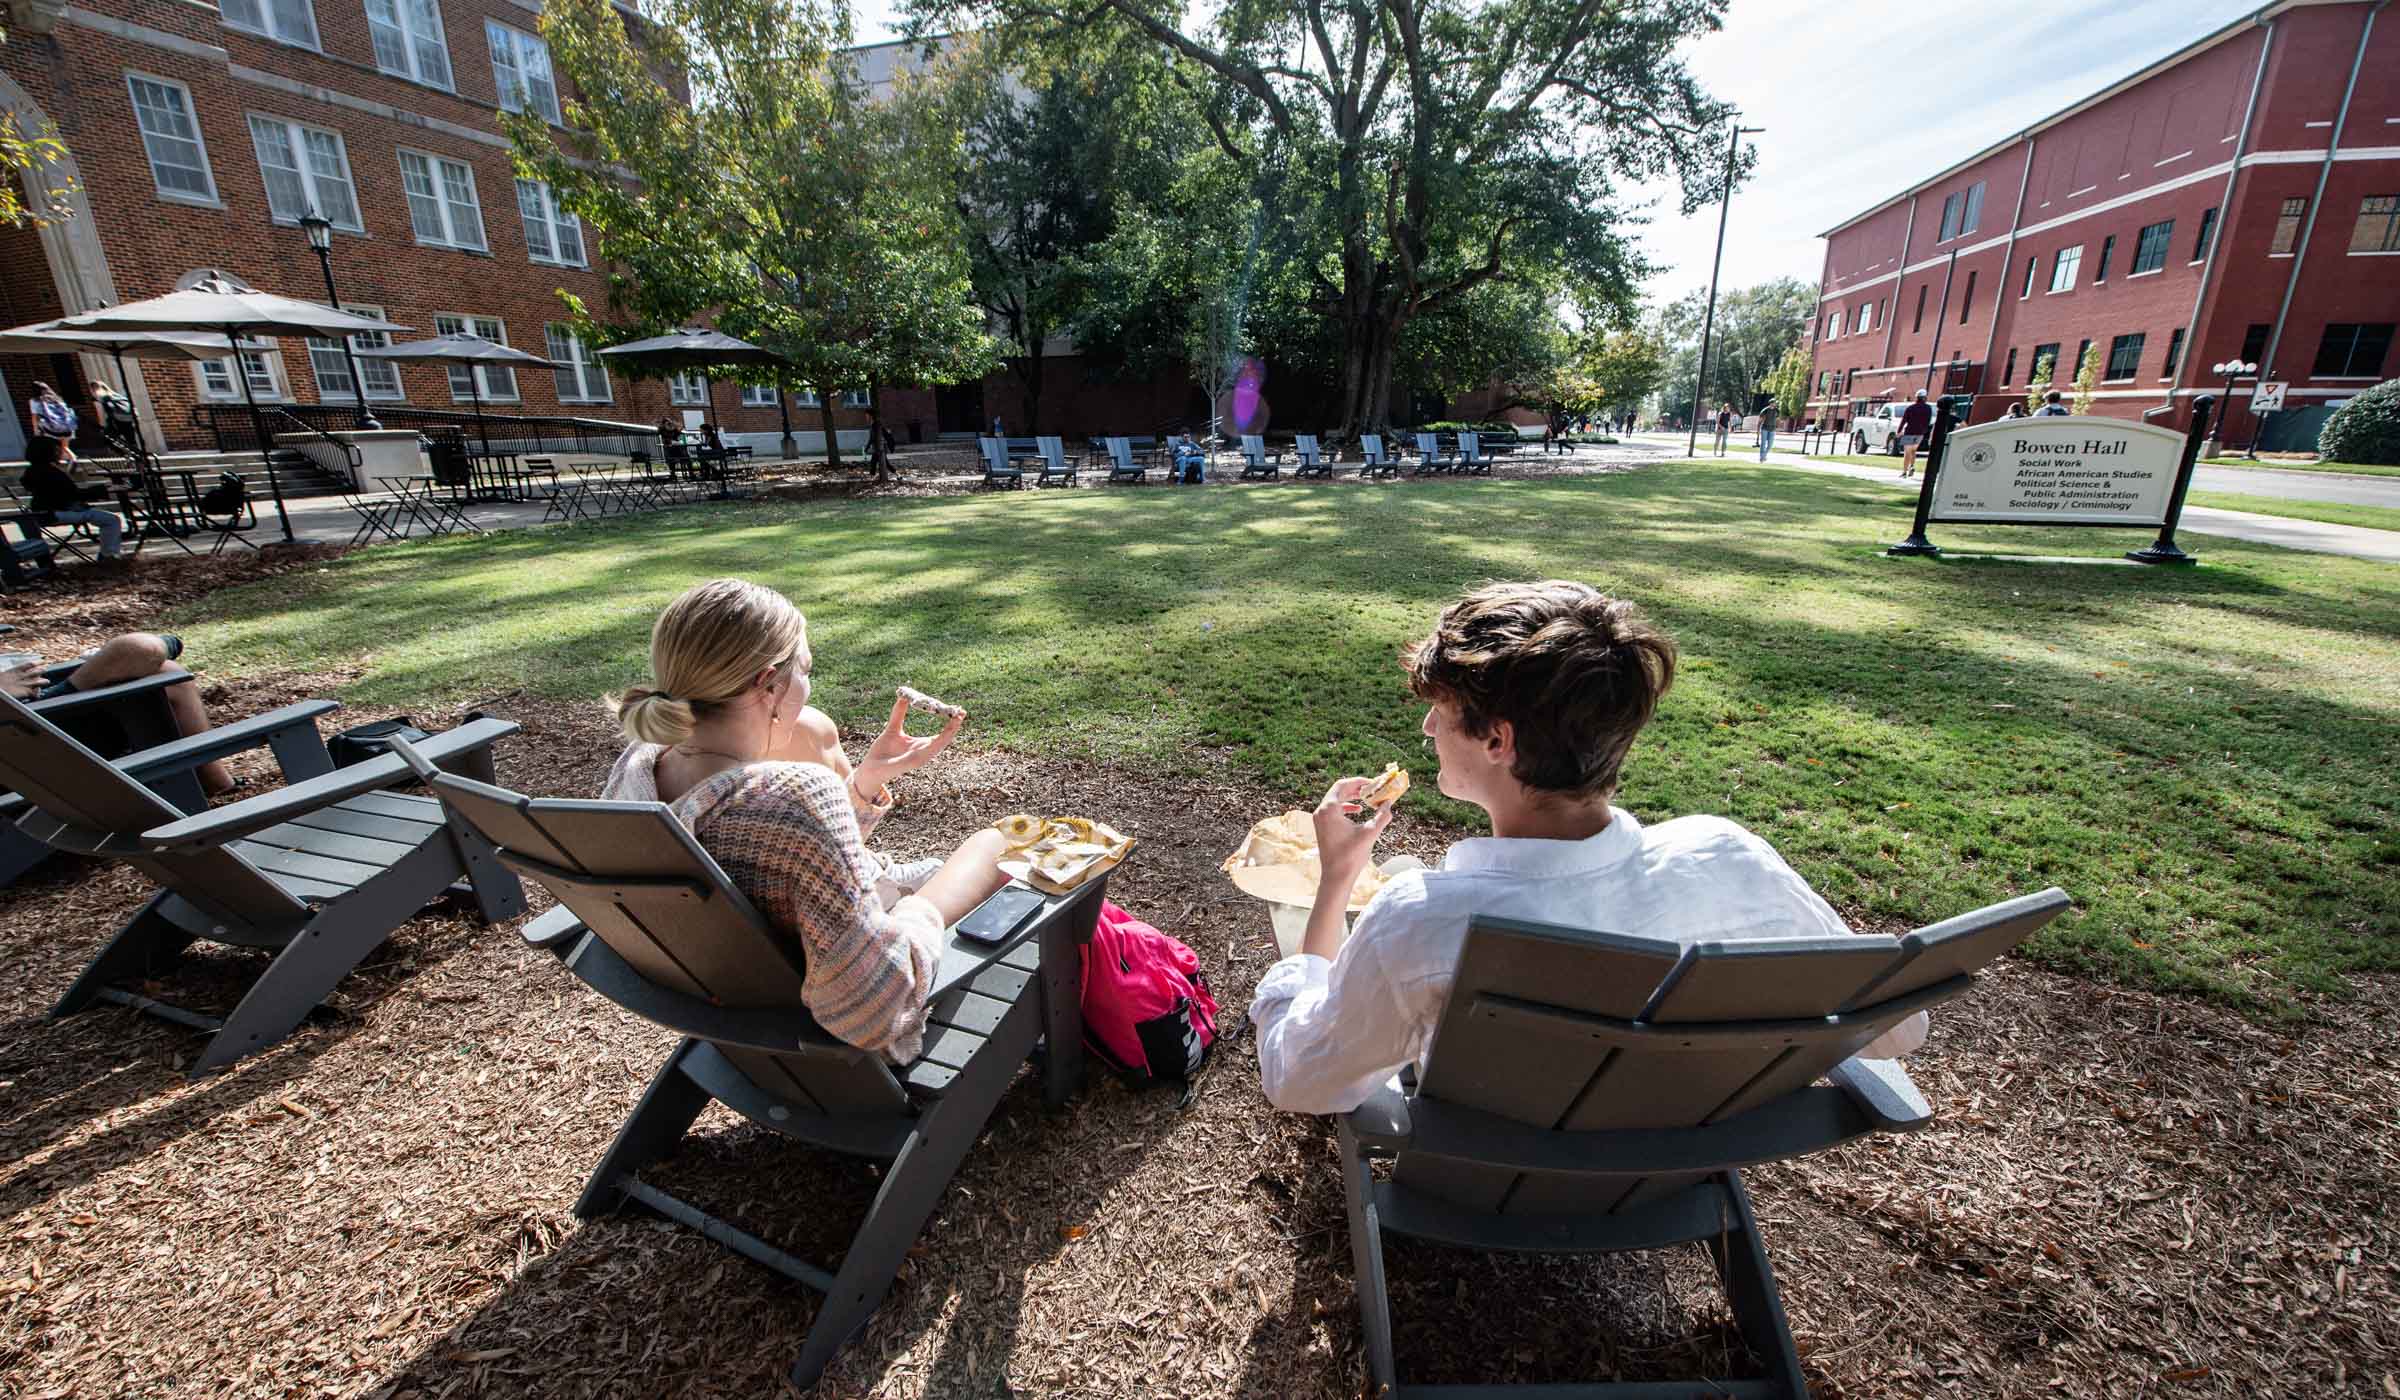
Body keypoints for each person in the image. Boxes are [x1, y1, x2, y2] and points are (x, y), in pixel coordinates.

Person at [1247, 581, 1926, 1115]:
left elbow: (1300, 1079)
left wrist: (1336, 882)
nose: (1427, 728)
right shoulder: (1731, 860)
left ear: (1496, 741)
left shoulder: (1422, 923)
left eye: (1443, 713)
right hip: (1679, 1156)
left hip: (1497, 1178)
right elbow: (1897, 1032)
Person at [602, 579, 1009, 1062]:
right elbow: (871, 1007)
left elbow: (794, 863)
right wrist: (922, 912)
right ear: (767, 683)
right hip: (829, 1017)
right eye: (806, 671)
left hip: (740, 999)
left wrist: (865, 781)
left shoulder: (640, 769)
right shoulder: (793, 795)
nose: (808, 687)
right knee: (998, 844)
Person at [0, 632, 233, 793]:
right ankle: (216, 781)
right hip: (30, 742)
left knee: (159, 671)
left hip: (28, 726)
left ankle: (215, 779)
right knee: (141, 654)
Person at [21, 435, 122, 562]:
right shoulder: (48, 472)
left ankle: (108, 554)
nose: (59, 453)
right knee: (111, 520)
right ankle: (108, 556)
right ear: (46, 451)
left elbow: (67, 493)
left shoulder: (34, 470)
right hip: (54, 513)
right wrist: (104, 489)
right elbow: (72, 494)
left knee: (104, 517)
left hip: (47, 512)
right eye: (56, 450)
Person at [26, 381, 78, 448]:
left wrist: (35, 430)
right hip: (65, 425)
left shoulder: (34, 401)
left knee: (52, 447)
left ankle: (72, 457)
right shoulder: (57, 399)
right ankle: (70, 458)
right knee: (65, 447)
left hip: (48, 427)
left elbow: (34, 416)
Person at [1896, 390, 1933, 480]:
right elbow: (1928, 421)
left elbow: (1904, 420)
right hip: (1920, 433)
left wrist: (1899, 431)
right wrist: (1924, 430)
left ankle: (1904, 472)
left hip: (1909, 432)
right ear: (1925, 398)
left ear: (1917, 397)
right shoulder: (1928, 408)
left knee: (1907, 452)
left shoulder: (1911, 408)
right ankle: (1912, 466)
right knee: (1913, 450)